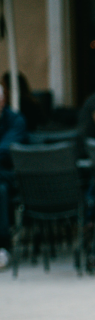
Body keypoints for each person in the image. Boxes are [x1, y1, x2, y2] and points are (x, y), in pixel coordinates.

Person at [0, 83, 27, 269]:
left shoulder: (15, 120)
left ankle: (2, 245)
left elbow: (5, 151)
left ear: (2, 101)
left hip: (8, 175)